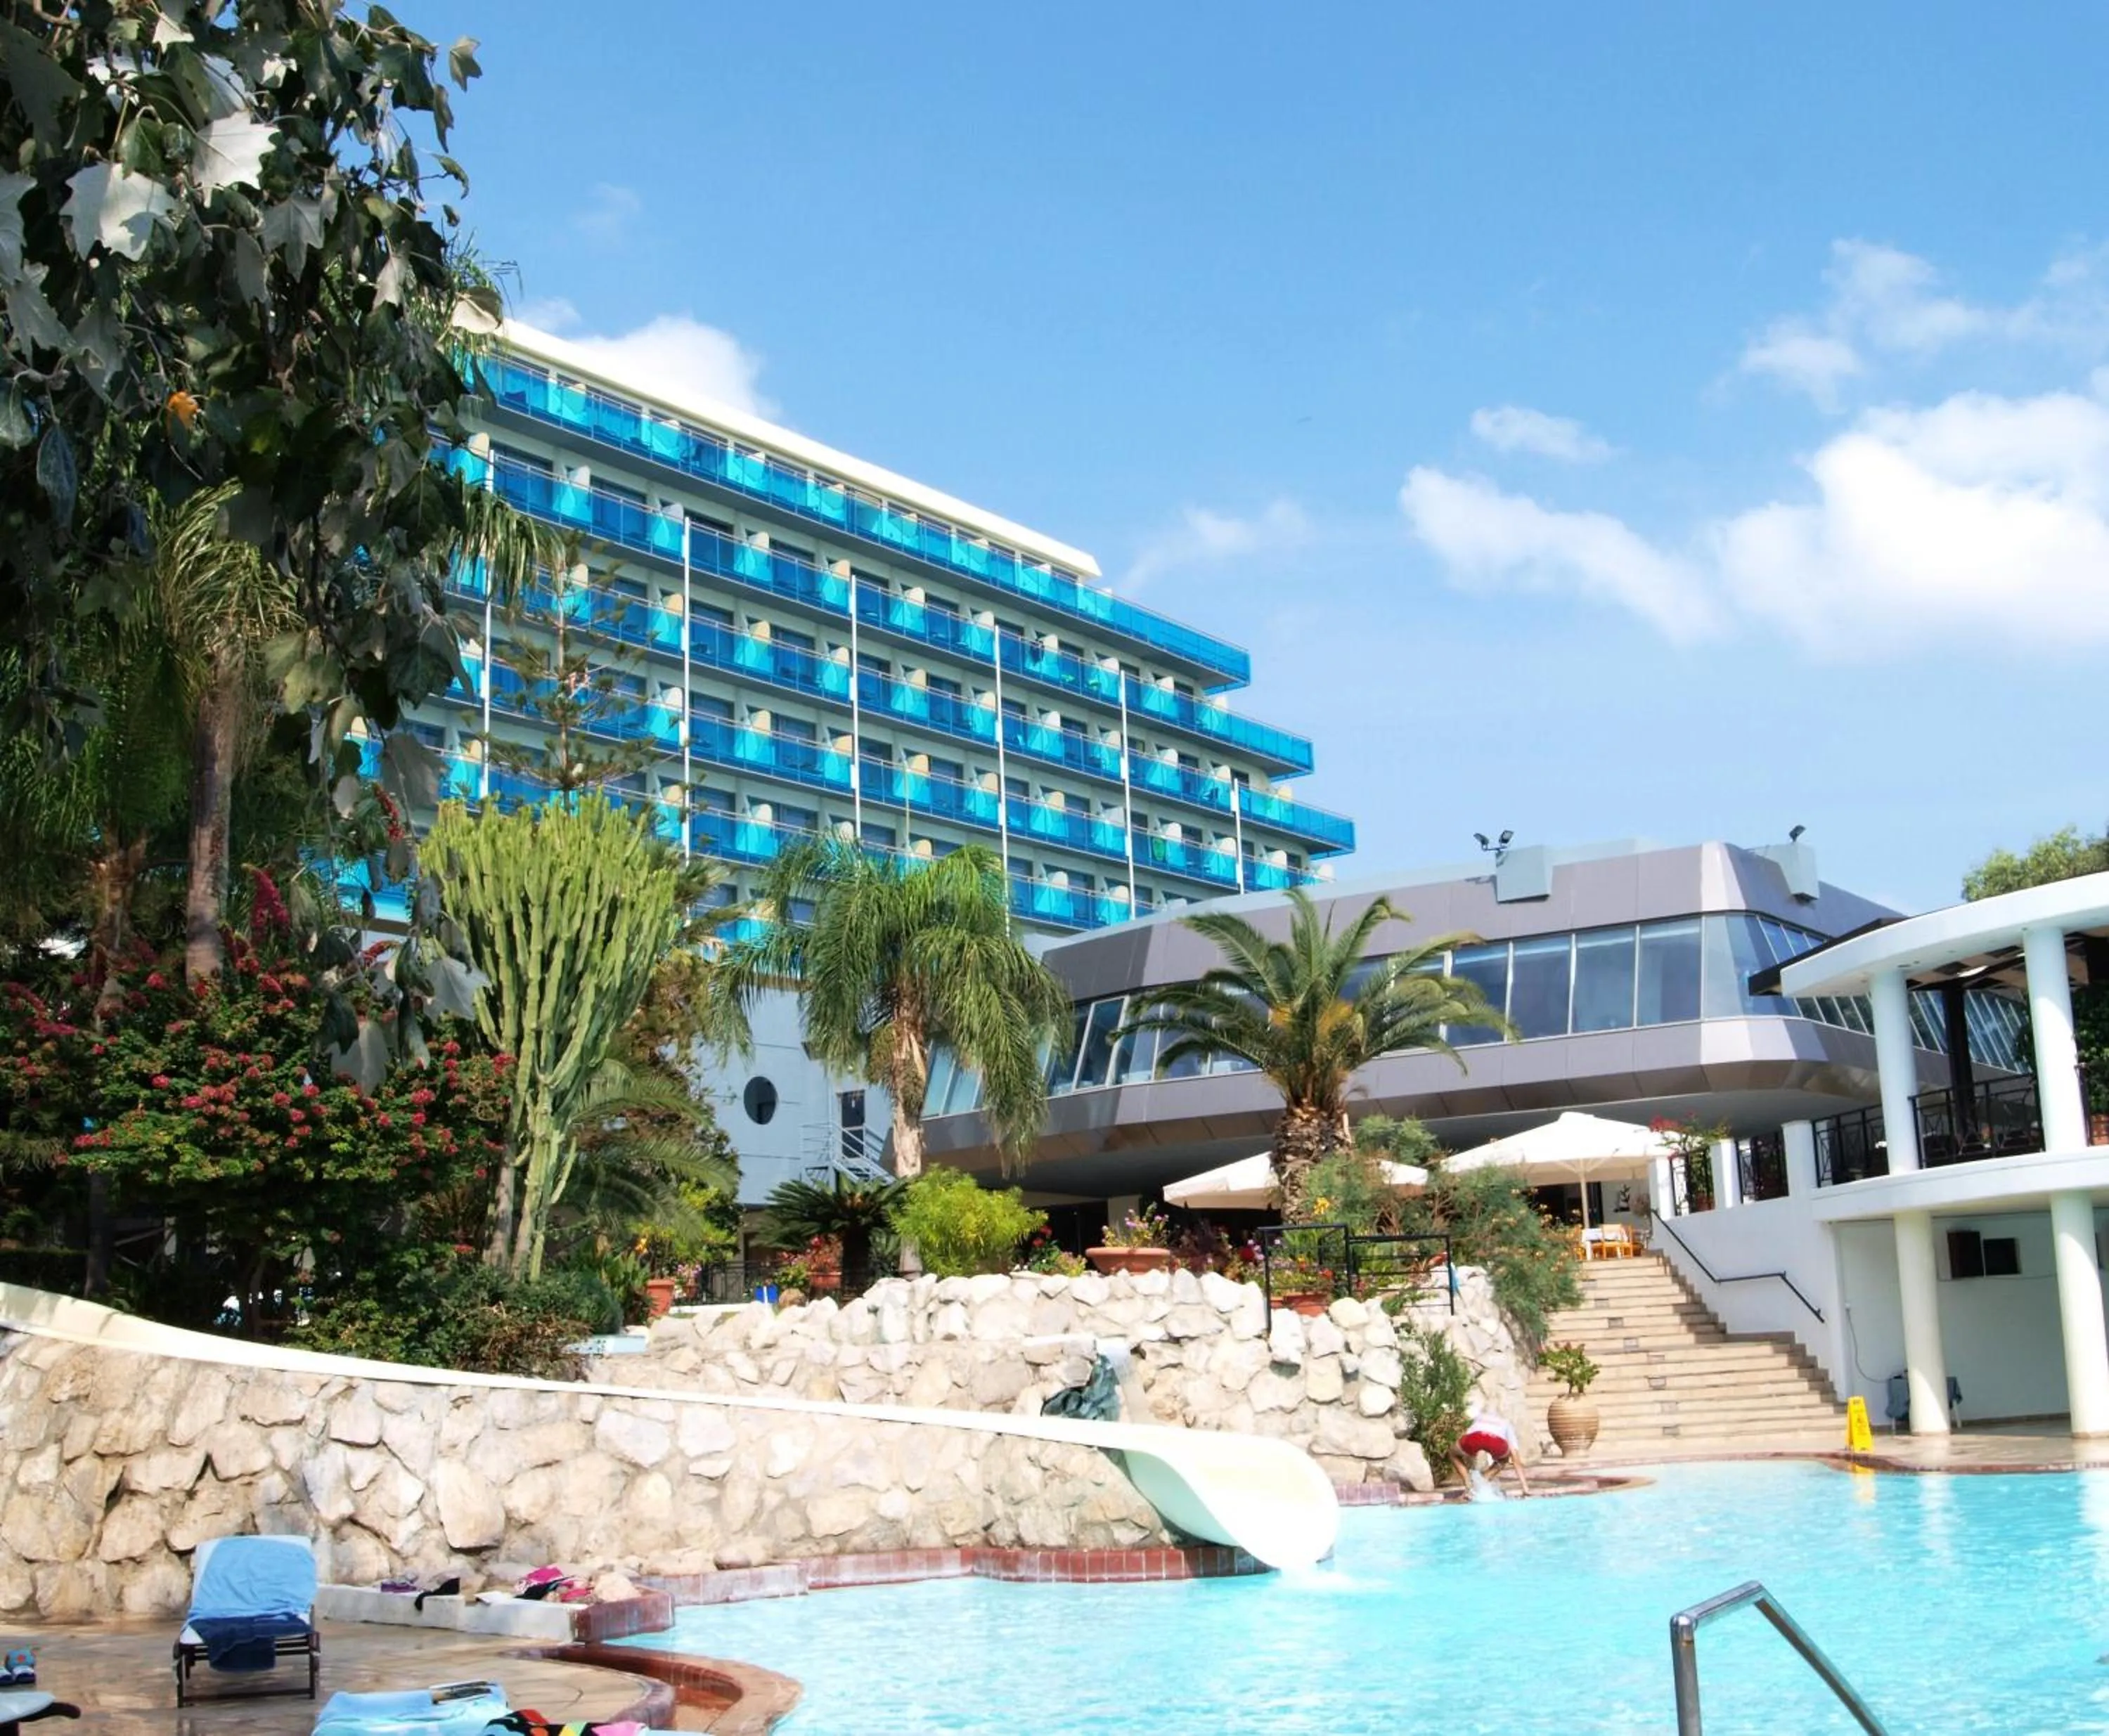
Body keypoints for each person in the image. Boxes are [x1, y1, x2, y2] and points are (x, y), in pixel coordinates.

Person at [1452, 1411, 1530, 1498]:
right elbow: (1515, 1458)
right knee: (1503, 1460)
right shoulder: (1507, 1423)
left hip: (1475, 1437)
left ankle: (1469, 1486)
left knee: (1453, 1453)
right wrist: (1525, 1488)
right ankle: (1481, 1483)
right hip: (1496, 1442)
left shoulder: (1478, 1417)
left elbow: (1467, 1434)